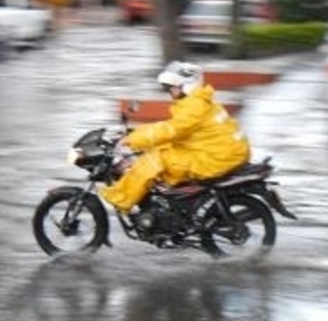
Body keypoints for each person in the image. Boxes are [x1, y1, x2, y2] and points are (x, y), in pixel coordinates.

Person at [99, 61, 251, 214]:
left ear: (186, 86)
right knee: (163, 149)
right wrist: (137, 131)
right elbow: (174, 128)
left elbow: (172, 130)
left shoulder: (194, 106)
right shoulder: (198, 100)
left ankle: (121, 199)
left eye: (172, 87)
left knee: (154, 160)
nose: (169, 91)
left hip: (217, 158)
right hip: (222, 151)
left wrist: (133, 140)